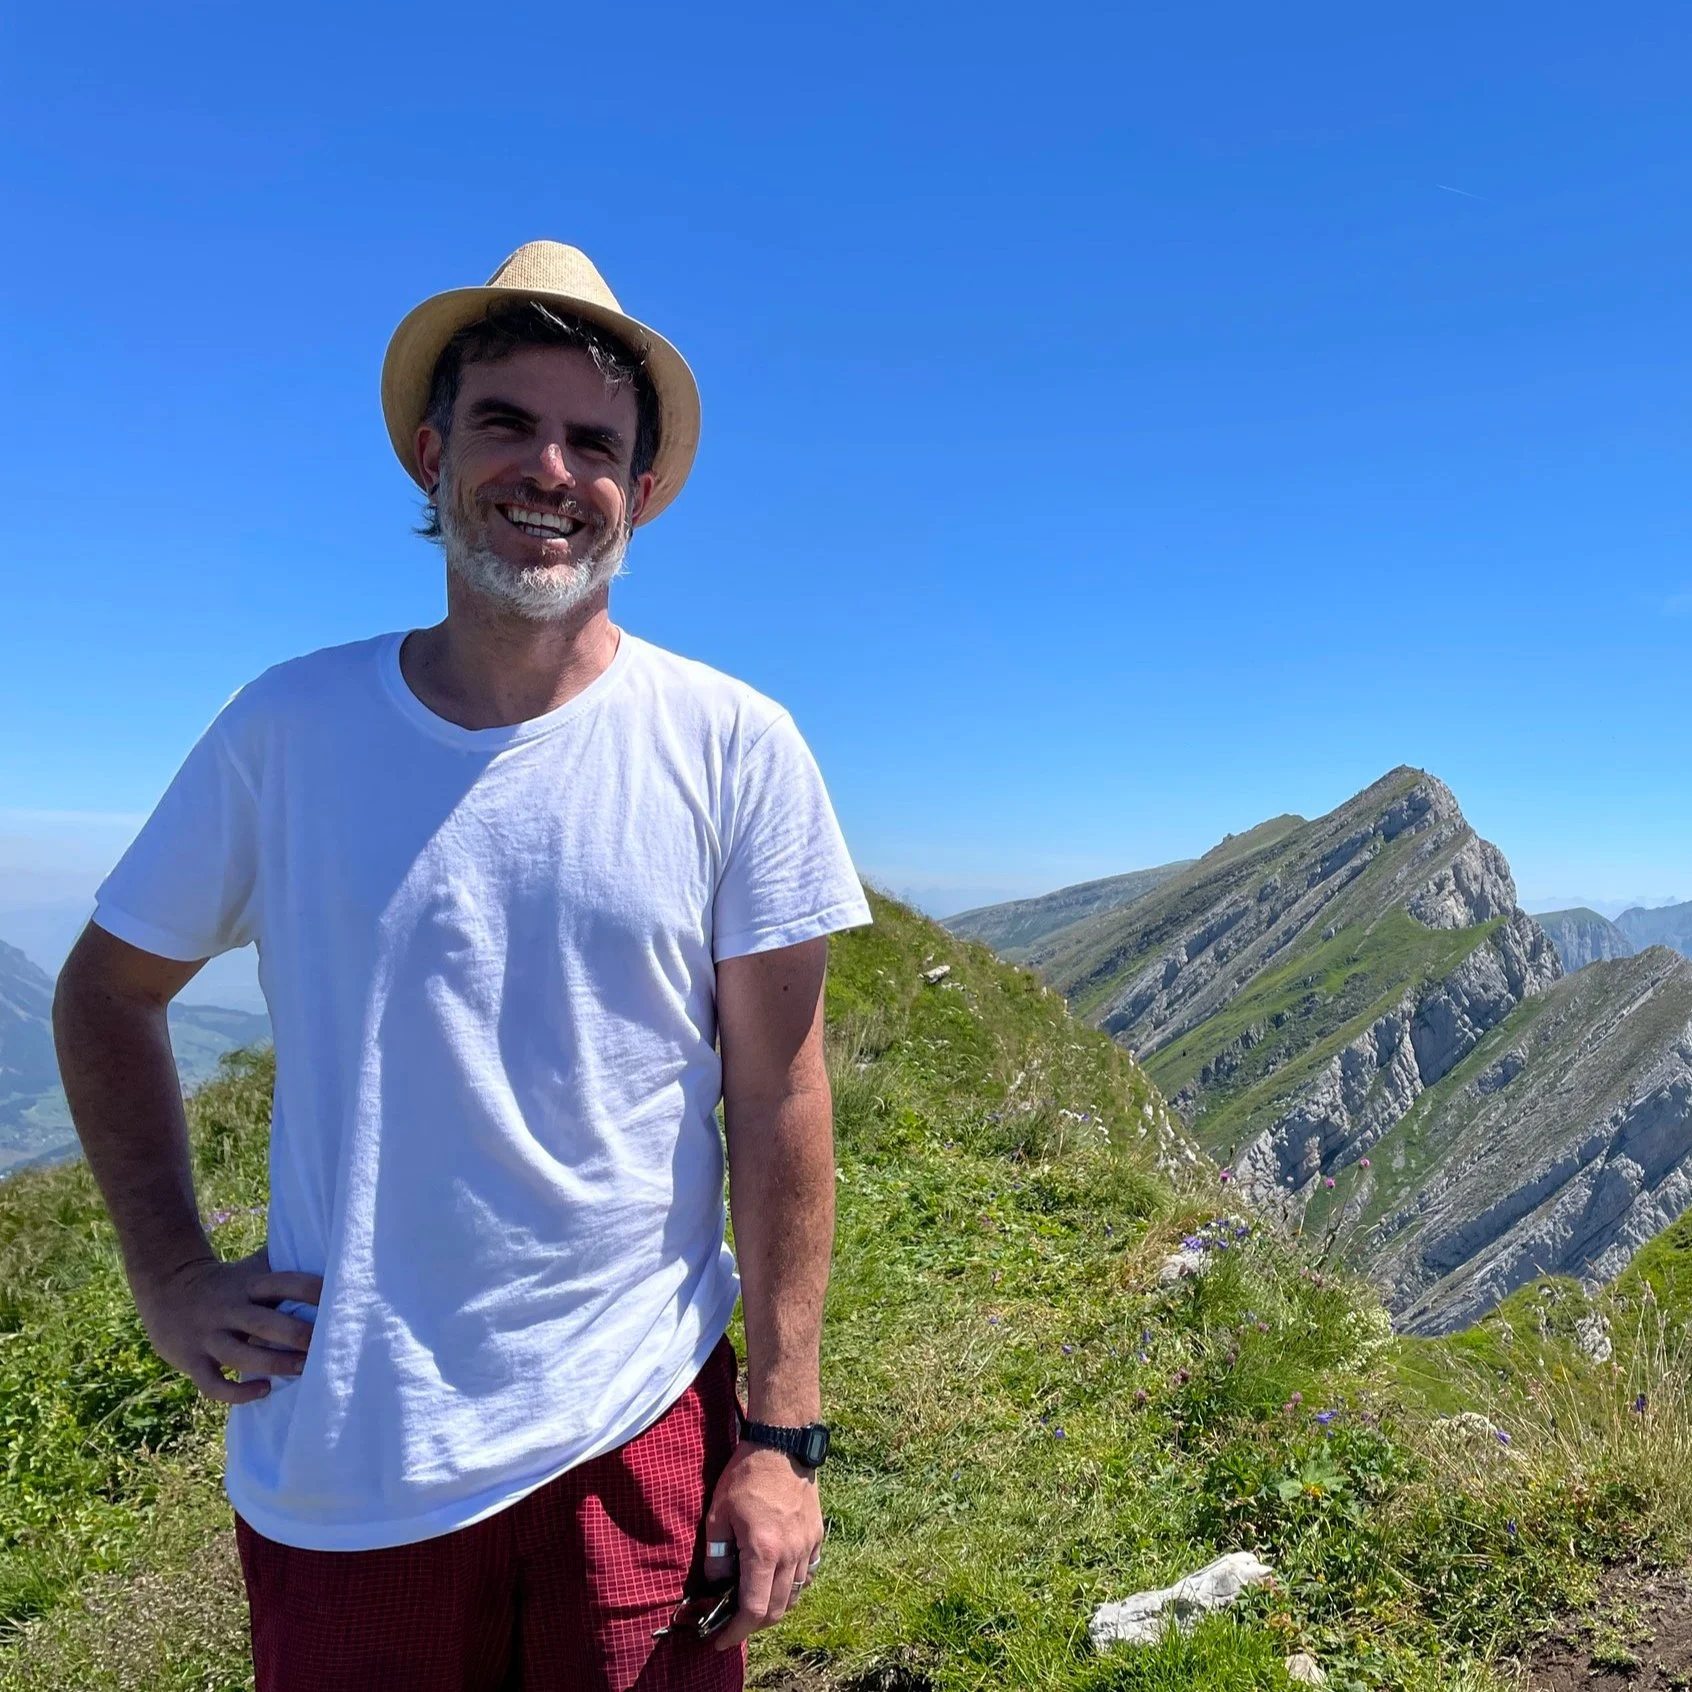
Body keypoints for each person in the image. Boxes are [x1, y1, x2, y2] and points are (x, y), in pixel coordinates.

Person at [53, 240, 872, 1692]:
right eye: (506, 423)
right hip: (351, 1458)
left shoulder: (736, 745)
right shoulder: (285, 731)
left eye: (593, 442)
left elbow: (782, 1094)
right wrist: (170, 1272)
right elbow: (107, 991)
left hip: (641, 1431)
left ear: (641, 488)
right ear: (434, 456)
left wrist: (783, 1438)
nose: (548, 468)